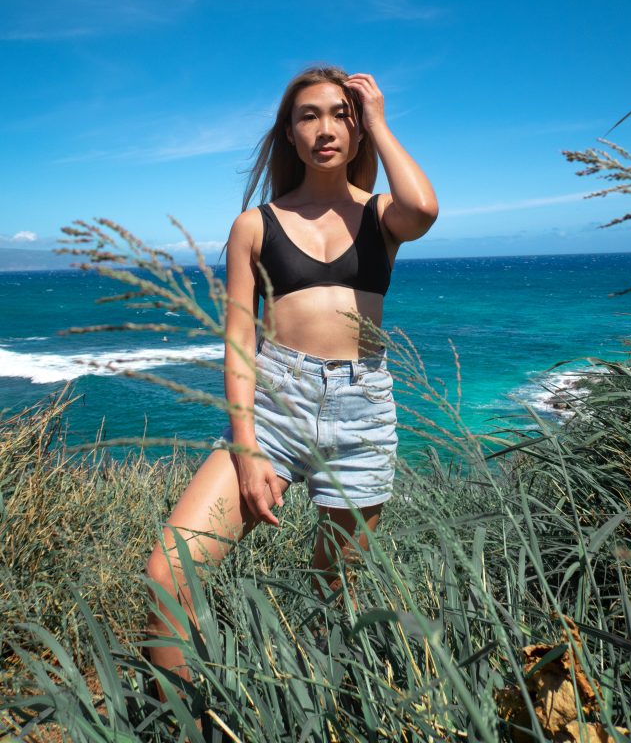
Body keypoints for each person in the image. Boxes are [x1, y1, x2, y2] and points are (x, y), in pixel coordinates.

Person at [144, 66, 438, 690]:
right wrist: (246, 447)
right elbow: (240, 340)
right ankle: (185, 721)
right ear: (289, 132)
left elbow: (424, 208)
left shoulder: (382, 216)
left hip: (361, 411)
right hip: (275, 407)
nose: (326, 128)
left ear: (358, 131)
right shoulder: (255, 224)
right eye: (309, 115)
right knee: (170, 574)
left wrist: (379, 118)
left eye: (341, 114)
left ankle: (311, 711)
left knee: (337, 602)